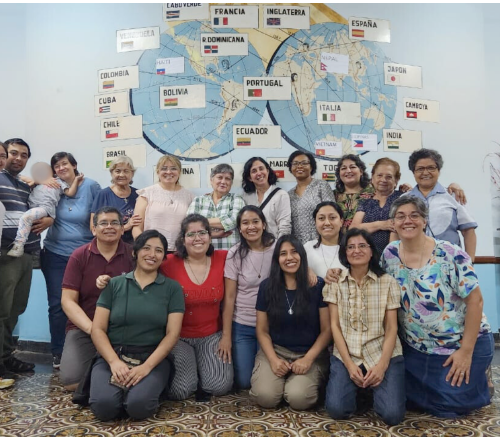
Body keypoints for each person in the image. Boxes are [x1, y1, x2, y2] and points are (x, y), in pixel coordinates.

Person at [381, 196, 493, 418]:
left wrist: (466, 351)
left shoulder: (450, 253)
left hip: (458, 344)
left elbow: (476, 301)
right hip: (416, 347)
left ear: (425, 220)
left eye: (414, 215)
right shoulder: (389, 254)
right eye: (400, 216)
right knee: (403, 398)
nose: (407, 221)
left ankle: (477, 379)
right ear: (393, 223)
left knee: (450, 405)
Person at [89, 230, 185, 421]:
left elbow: (172, 334)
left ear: (163, 257)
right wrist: (114, 362)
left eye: (159, 250)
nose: (152, 254)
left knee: (139, 407)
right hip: (114, 355)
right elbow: (98, 329)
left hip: (152, 358)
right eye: (146, 248)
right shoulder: (114, 285)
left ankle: (137, 391)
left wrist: (146, 367)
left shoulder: (172, 289)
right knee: (104, 408)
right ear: (135, 252)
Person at [323, 229, 405, 426]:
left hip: (381, 352)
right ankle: (362, 391)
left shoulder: (388, 282)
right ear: (344, 252)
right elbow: (334, 325)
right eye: (350, 247)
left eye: (362, 246)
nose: (356, 250)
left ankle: (372, 390)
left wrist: (382, 365)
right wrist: (349, 365)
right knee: (336, 409)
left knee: (392, 415)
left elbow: (392, 328)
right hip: (347, 353)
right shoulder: (335, 282)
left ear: (371, 251)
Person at [250, 235, 331, 410]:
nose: (289, 258)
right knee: (266, 397)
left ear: (302, 255)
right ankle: (281, 381)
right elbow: (262, 330)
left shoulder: (317, 286)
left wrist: (308, 359)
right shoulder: (266, 287)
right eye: (283, 254)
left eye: (294, 252)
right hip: (276, 350)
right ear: (276, 260)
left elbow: (327, 330)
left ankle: (298, 383)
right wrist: (273, 360)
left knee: (299, 399)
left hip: (308, 352)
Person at [60, 207, 134, 391]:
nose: (109, 227)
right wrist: (93, 330)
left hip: (124, 328)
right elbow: (68, 301)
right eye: (103, 223)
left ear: (123, 228)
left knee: (134, 375)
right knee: (72, 382)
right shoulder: (79, 255)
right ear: (93, 229)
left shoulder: (133, 255)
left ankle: (103, 375)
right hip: (86, 327)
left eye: (115, 223)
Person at [160, 214, 234, 400]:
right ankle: (193, 371)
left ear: (210, 236)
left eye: (202, 233)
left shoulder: (224, 258)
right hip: (179, 337)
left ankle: (202, 369)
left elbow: (229, 300)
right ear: (183, 239)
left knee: (219, 386)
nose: (197, 238)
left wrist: (226, 336)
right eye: (191, 234)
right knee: (180, 391)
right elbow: (141, 269)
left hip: (211, 335)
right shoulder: (168, 263)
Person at [41, 152, 101, 369]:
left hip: (85, 255)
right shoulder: (52, 186)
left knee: (87, 302)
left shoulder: (91, 186)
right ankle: (58, 352)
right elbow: (30, 186)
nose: (61, 168)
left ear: (74, 165)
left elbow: (99, 216)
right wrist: (40, 179)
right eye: (56, 166)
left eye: (64, 164)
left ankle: (92, 348)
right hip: (55, 254)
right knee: (57, 304)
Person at [0, 139, 48, 387]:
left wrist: (49, 220)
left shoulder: (24, 185)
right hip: (6, 253)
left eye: (24, 155)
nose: (18, 158)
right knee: (2, 310)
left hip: (27, 253)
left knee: (16, 309)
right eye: (13, 153)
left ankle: (6, 356)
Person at [223, 206, 276, 389]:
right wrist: (226, 336)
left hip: (271, 325)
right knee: (244, 382)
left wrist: (308, 270)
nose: (251, 227)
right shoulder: (235, 254)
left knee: (268, 376)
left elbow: (297, 260)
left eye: (255, 222)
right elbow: (229, 297)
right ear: (239, 228)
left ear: (264, 224)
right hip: (242, 325)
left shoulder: (277, 248)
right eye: (245, 223)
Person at [402, 149, 478, 260]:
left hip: (449, 262)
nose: (425, 173)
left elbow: (468, 231)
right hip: (412, 262)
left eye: (431, 168)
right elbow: (396, 231)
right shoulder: (403, 199)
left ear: (439, 170)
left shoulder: (454, 197)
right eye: (420, 169)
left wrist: (469, 263)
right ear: (413, 172)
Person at [7, 162, 82, 257]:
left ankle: (18, 245)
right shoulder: (36, 182)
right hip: (32, 207)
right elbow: (20, 177)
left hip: (44, 208)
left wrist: (76, 180)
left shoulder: (58, 182)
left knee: (26, 217)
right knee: (27, 221)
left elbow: (70, 192)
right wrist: (39, 181)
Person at [133, 155, 194, 252]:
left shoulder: (189, 196)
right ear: (158, 172)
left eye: (173, 168)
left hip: (180, 251)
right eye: (164, 168)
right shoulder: (146, 194)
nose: (169, 172)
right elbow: (136, 227)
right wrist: (144, 247)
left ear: (179, 172)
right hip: (152, 252)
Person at [187, 164, 245, 250]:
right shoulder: (199, 200)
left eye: (227, 178)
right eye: (220, 177)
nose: (223, 182)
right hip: (203, 254)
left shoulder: (236, 199)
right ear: (211, 180)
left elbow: (233, 221)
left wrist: (200, 222)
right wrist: (213, 234)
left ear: (231, 183)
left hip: (230, 253)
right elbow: (190, 223)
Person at [351, 158, 403, 254]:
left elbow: (397, 227)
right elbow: (353, 229)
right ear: (372, 178)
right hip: (366, 255)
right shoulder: (365, 203)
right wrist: (381, 225)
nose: (383, 180)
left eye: (388, 177)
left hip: (395, 255)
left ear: (396, 180)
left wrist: (391, 257)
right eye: (379, 175)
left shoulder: (402, 199)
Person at [91, 156, 141, 245]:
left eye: (126, 171)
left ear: (132, 174)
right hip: (109, 245)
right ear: (111, 173)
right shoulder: (103, 195)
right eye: (118, 171)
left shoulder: (139, 195)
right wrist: (126, 226)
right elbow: (93, 227)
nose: (122, 175)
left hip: (133, 246)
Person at [288, 151, 335, 243]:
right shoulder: (289, 194)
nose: (299, 166)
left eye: (304, 163)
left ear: (311, 166)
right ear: (291, 168)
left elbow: (332, 214)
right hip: (297, 246)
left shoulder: (321, 186)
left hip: (320, 242)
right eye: (295, 163)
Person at [242, 157, 291, 239]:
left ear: (267, 171)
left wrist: (280, 245)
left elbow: (285, 227)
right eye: (254, 171)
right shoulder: (246, 197)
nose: (259, 173)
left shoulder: (281, 195)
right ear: (249, 178)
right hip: (252, 244)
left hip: (274, 244)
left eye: (261, 169)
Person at [333, 154, 375, 231]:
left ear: (361, 171)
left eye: (352, 167)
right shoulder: (333, 195)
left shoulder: (373, 192)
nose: (348, 171)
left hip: (367, 237)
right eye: (343, 168)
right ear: (339, 173)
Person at [304, 202, 346, 278]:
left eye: (332, 218)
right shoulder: (307, 248)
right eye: (321, 218)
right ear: (315, 223)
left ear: (341, 221)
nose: (327, 223)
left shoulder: (351, 249)